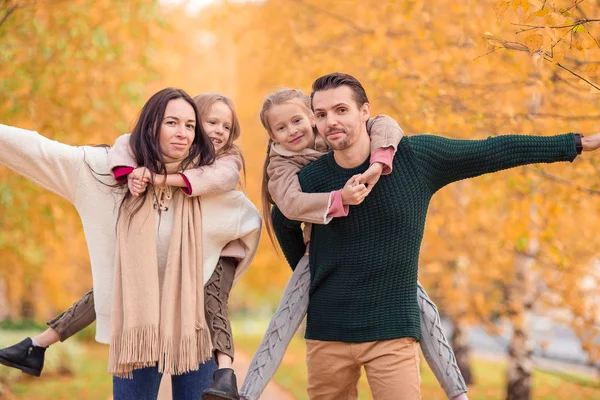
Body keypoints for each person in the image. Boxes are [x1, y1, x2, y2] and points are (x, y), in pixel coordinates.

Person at [269, 72, 600, 400]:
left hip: (393, 331)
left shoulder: (416, 158)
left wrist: (575, 143)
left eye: (341, 110)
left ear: (365, 111)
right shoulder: (311, 179)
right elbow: (282, 219)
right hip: (327, 335)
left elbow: (492, 151)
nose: (331, 122)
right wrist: (313, 272)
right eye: (322, 114)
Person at [0, 88, 262, 400]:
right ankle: (38, 345)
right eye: (172, 123)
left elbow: (249, 228)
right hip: (136, 330)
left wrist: (213, 273)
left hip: (193, 332)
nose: (183, 133)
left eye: (190, 126)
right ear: (151, 126)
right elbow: (39, 150)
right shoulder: (105, 172)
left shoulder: (214, 188)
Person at [240, 88, 468, 400]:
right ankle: (248, 392)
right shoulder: (280, 165)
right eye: (281, 128)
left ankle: (457, 391)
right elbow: (288, 209)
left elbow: (385, 123)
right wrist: (339, 200)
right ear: (272, 137)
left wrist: (379, 163)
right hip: (321, 253)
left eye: (297, 120)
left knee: (420, 305)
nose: (292, 131)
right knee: (285, 316)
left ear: (312, 117)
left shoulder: (332, 135)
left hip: (374, 256)